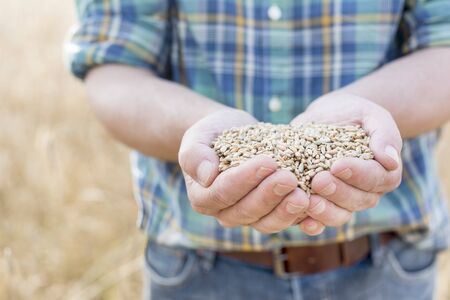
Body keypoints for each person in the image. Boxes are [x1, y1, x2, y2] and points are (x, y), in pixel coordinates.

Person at [65, 1, 450, 299]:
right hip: (198, 271)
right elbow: (113, 68)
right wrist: (205, 135)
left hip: (386, 266)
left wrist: (364, 117)